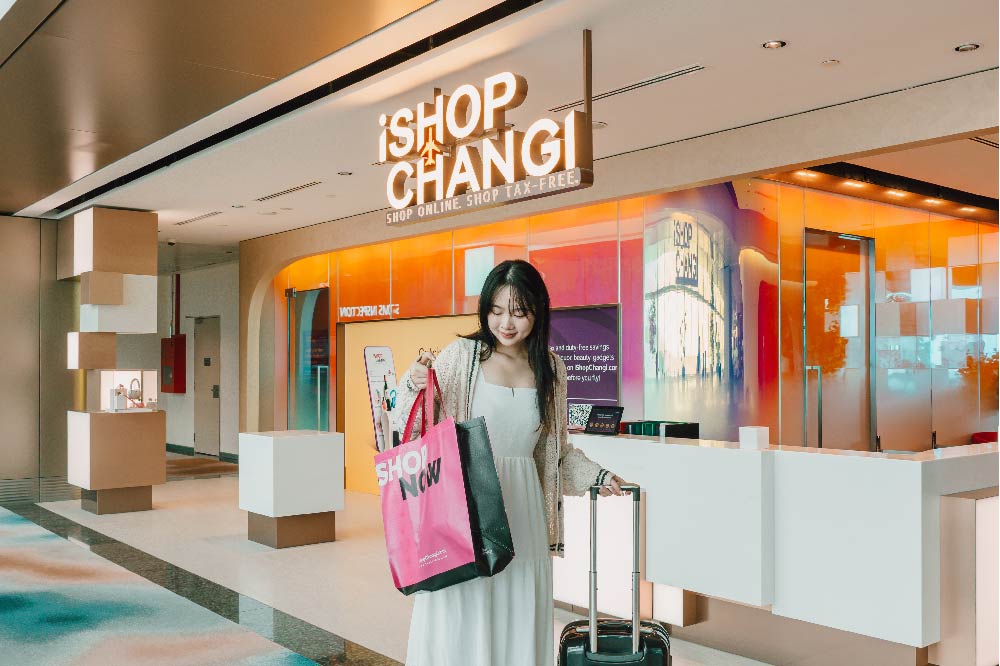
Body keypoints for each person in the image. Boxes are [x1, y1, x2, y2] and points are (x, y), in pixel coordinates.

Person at [396, 259, 629, 666]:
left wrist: (598, 476)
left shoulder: (551, 368)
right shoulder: (460, 357)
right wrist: (411, 383)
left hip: (524, 515)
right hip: (467, 514)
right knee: (463, 616)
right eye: (497, 310)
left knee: (516, 619)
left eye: (519, 312)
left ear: (537, 312)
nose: (506, 323)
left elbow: (554, 455)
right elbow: (412, 431)